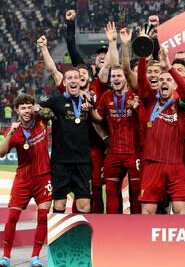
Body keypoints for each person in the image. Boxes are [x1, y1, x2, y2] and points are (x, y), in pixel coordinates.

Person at [136, 47, 185, 215]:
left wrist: (169, 68)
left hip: (176, 164)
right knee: (147, 211)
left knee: (181, 211)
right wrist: (142, 57)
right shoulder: (150, 100)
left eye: (168, 80)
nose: (164, 82)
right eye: (161, 80)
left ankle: (179, 242)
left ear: (174, 85)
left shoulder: (180, 104)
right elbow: (140, 80)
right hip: (152, 163)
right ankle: (145, 241)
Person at [0, 94, 51, 267]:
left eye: (29, 107)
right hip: (23, 179)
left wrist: (39, 108)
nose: (27, 111)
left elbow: (51, 114)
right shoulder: (14, 132)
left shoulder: (41, 119)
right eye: (23, 108)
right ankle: (5, 257)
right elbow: (1, 153)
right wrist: (10, 133)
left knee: (43, 217)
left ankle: (35, 257)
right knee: (12, 217)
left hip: (44, 176)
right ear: (17, 110)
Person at [87, 66, 142, 214]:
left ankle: (138, 225)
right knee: (111, 190)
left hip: (133, 151)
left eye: (119, 76)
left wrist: (136, 108)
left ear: (126, 78)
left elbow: (145, 120)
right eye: (113, 76)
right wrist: (89, 109)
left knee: (137, 191)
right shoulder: (106, 96)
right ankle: (114, 225)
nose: (116, 79)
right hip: (113, 151)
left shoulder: (135, 95)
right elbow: (98, 118)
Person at [39, 68, 92, 214]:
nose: (73, 80)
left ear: (81, 81)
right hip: (61, 161)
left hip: (83, 161)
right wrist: (41, 111)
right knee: (60, 203)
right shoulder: (56, 101)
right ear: (65, 82)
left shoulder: (88, 101)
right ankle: (59, 236)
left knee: (84, 205)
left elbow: (98, 122)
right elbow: (37, 107)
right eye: (69, 78)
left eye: (76, 77)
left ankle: (81, 237)